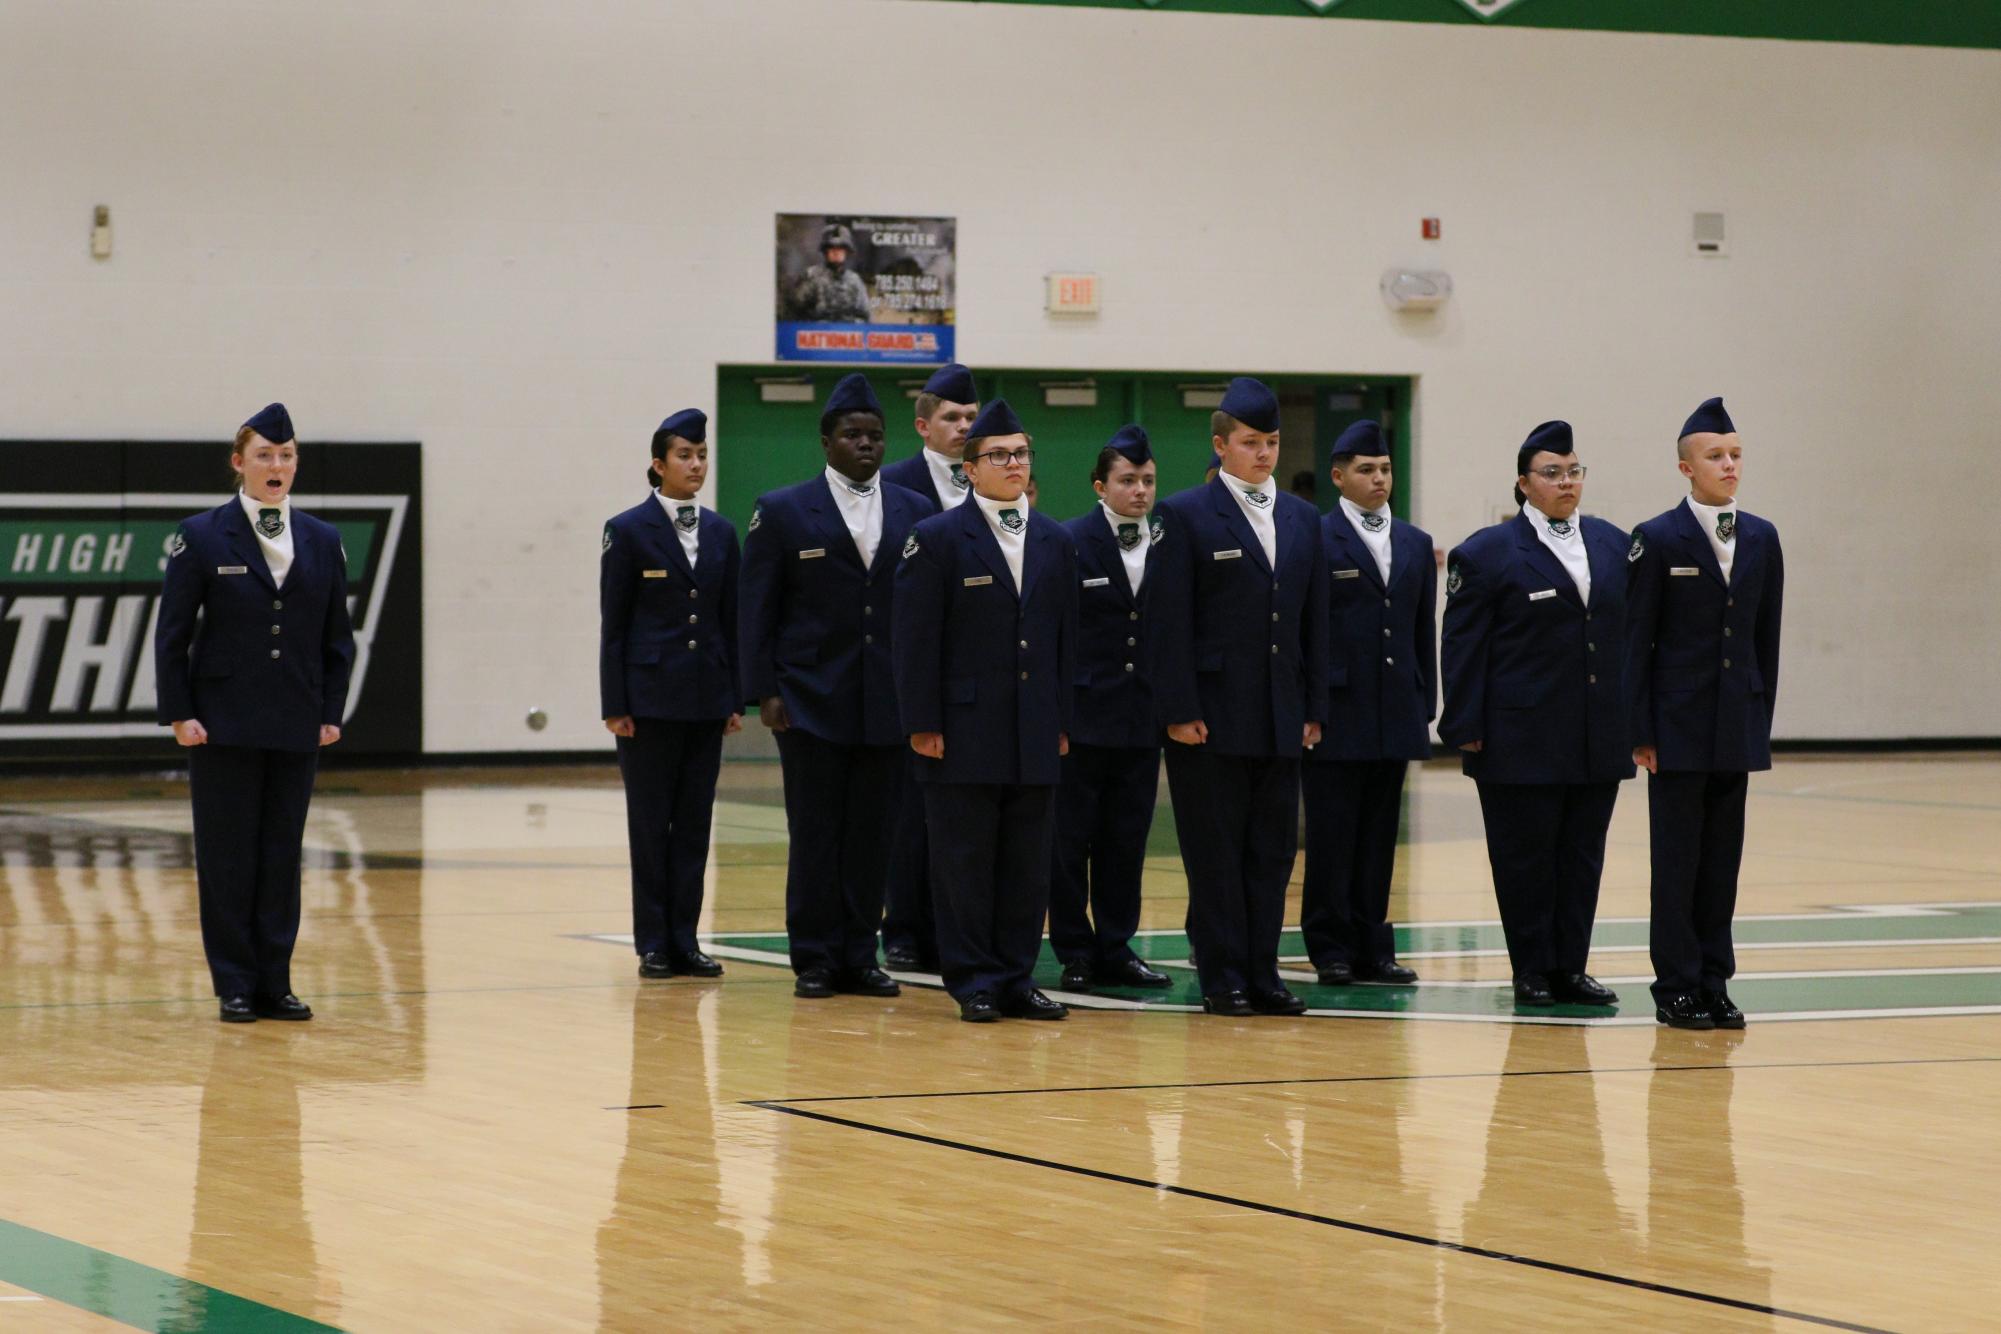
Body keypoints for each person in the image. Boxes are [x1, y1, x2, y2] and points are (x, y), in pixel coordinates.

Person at [155, 402, 355, 1023]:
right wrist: (179, 712)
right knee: (227, 856)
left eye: (287, 455)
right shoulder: (204, 534)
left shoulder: (322, 538)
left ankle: (275, 981)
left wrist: (330, 710)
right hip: (222, 720)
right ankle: (235, 983)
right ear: (239, 464)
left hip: (295, 718)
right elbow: (172, 634)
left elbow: (337, 638)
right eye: (265, 455)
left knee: (280, 854)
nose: (277, 466)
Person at [739, 373, 925, 1000]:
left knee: (874, 834)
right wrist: (763, 688)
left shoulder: (912, 509)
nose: (866, 445)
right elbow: (758, 607)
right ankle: (814, 956)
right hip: (809, 699)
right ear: (827, 442)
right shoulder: (785, 509)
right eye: (852, 435)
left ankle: (859, 955)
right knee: (817, 832)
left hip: (888, 699)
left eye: (874, 435)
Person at [893, 398, 1078, 1022]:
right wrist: (922, 722)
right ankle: (972, 979)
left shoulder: (1056, 538)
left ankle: (1016, 977)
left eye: (1021, 454)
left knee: (1028, 862)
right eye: (998, 455)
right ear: (969, 469)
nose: (1013, 464)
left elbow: (1064, 640)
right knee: (964, 861)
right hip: (962, 727)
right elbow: (914, 640)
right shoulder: (938, 537)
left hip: (1034, 727)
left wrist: (1063, 720)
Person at [1150, 377, 1329, 1016]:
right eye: (1250, 442)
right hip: (1212, 717)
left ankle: (1263, 972)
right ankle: (1223, 975)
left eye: (1272, 442)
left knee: (1273, 853)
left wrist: (1314, 708)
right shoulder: (1185, 513)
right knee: (1216, 852)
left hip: (1281, 714)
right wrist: (1178, 709)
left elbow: (1315, 622)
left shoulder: (1305, 519)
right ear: (1220, 445)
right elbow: (1167, 623)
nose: (1263, 454)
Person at [1440, 420, 1633, 1010]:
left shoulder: (1612, 543)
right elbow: (1463, 646)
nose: (1566, 482)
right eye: (1552, 473)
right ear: (1524, 484)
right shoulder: (1487, 553)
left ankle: (1571, 967)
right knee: (1525, 859)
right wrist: (1465, 727)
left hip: (1596, 733)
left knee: (1582, 856)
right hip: (1517, 735)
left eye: (1574, 471)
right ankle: (1532, 969)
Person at [1626, 397, 1784, 1029]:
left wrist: (1758, 718)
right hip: (1677, 727)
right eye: (1716, 456)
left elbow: (1764, 639)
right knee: (1678, 861)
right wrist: (1641, 731)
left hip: (1734, 723)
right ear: (1686, 467)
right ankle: (1676, 985)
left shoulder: (1764, 537)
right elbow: (1637, 643)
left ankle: (1716, 980)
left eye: (1736, 455)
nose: (1729, 466)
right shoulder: (1657, 537)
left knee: (1723, 861)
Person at [600, 409, 742, 982]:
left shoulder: (722, 531)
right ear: (658, 465)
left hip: (706, 700)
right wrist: (615, 703)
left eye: (702, 454)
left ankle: (686, 939)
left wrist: (735, 697)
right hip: (649, 701)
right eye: (684, 455)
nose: (696, 465)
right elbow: (614, 623)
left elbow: (730, 621)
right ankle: (653, 942)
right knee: (650, 823)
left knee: (694, 825)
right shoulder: (628, 529)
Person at [1301, 420, 1434, 987]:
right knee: (1334, 834)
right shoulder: (1315, 535)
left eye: (1384, 469)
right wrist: (1312, 703)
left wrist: (1423, 695)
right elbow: (1308, 626)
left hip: (1394, 707)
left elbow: (1420, 628)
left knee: (1381, 836)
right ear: (1338, 476)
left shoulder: (1414, 542)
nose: (1379, 478)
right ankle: (1330, 944)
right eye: (1365, 470)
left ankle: (1374, 944)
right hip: (1338, 707)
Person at [1051, 426, 1172, 992]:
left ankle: (1118, 945)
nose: (1141, 491)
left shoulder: (1170, 541)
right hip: (1082, 716)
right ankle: (1075, 948)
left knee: (1127, 840)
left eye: (1148, 480)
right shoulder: (1069, 541)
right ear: (1101, 486)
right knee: (1070, 841)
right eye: (1128, 480)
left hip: (1142, 718)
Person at [877, 363, 979, 971]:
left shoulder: (990, 481)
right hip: (916, 668)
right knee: (909, 812)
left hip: (976, 674)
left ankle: (953, 928)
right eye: (952, 418)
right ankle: (904, 928)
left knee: (961, 817)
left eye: (970, 417)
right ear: (923, 425)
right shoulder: (894, 483)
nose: (964, 426)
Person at [788, 223, 871, 323]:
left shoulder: (855, 281)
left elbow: (866, 317)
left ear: (846, 251)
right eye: (832, 248)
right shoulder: (811, 276)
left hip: (847, 334)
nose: (836, 252)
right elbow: (794, 314)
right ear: (825, 251)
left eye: (841, 248)